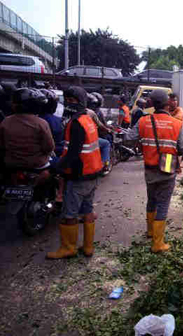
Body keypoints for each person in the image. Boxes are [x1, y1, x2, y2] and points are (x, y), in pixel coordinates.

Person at [127, 89, 183, 253]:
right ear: (168, 103)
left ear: (151, 104)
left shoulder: (143, 121)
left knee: (151, 199)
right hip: (167, 165)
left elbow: (128, 138)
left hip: (150, 167)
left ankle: (150, 231)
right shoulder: (176, 123)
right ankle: (158, 243)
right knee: (163, 203)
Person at [47, 86, 103, 259]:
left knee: (69, 214)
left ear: (81, 102)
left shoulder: (76, 122)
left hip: (79, 175)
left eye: (72, 101)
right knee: (87, 210)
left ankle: (68, 248)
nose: (69, 104)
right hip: (92, 172)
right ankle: (87, 248)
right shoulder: (87, 119)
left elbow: (73, 152)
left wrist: (58, 168)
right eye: (67, 100)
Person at [0, 88, 55, 171]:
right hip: (37, 164)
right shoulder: (41, 123)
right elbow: (49, 147)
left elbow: (2, 145)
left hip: (11, 164)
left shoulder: (6, 121)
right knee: (57, 167)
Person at [87, 93, 111, 171]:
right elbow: (101, 125)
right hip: (92, 136)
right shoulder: (93, 112)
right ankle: (105, 165)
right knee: (106, 143)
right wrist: (107, 129)